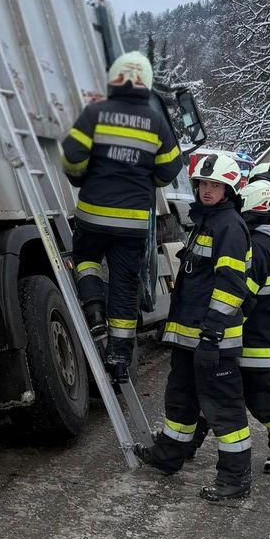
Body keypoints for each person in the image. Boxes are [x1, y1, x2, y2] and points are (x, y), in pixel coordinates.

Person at [135, 150, 254, 503]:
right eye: (203, 184)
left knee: (224, 412)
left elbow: (231, 287)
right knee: (180, 400)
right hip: (191, 339)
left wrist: (212, 334)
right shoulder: (205, 222)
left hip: (212, 341)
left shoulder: (229, 227)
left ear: (229, 189)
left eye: (215, 185)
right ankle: (169, 457)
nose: (206, 191)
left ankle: (235, 481)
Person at [60, 51, 181, 382]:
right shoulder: (155, 123)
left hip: (93, 216)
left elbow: (71, 157)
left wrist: (81, 177)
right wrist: (147, 176)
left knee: (86, 257)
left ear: (114, 79)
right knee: (126, 285)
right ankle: (118, 359)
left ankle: (94, 309)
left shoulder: (96, 113)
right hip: (132, 223)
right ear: (146, 83)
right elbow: (170, 169)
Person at [240, 177, 270, 474]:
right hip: (264, 334)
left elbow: (243, 299)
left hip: (252, 339)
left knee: (260, 399)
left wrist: (218, 327)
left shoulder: (258, 247)